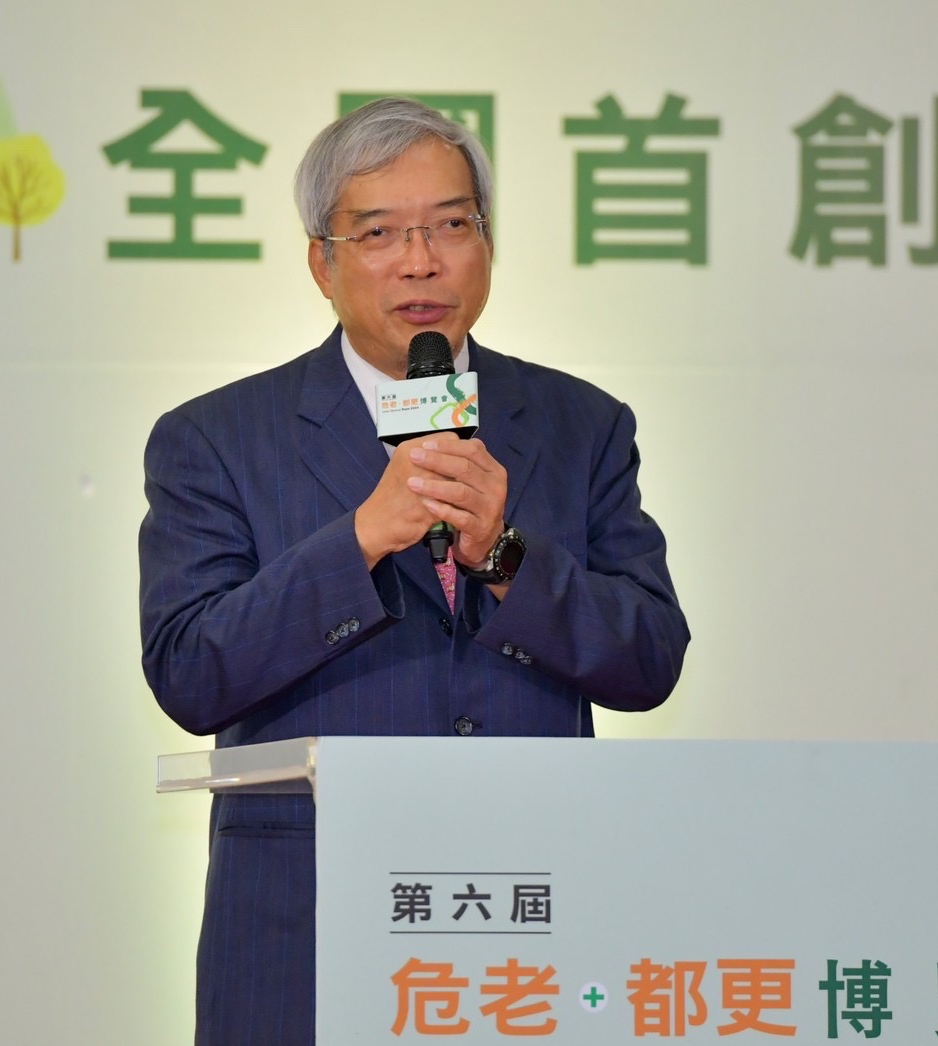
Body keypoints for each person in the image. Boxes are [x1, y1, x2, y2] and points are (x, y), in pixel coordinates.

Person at [139, 97, 689, 1045]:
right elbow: (190, 671)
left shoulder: (581, 425)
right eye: (380, 232)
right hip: (306, 926)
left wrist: (503, 555)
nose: (421, 260)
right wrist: (358, 540)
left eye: (450, 225)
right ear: (323, 262)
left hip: (531, 925)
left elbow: (648, 660)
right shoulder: (217, 439)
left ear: (487, 243)